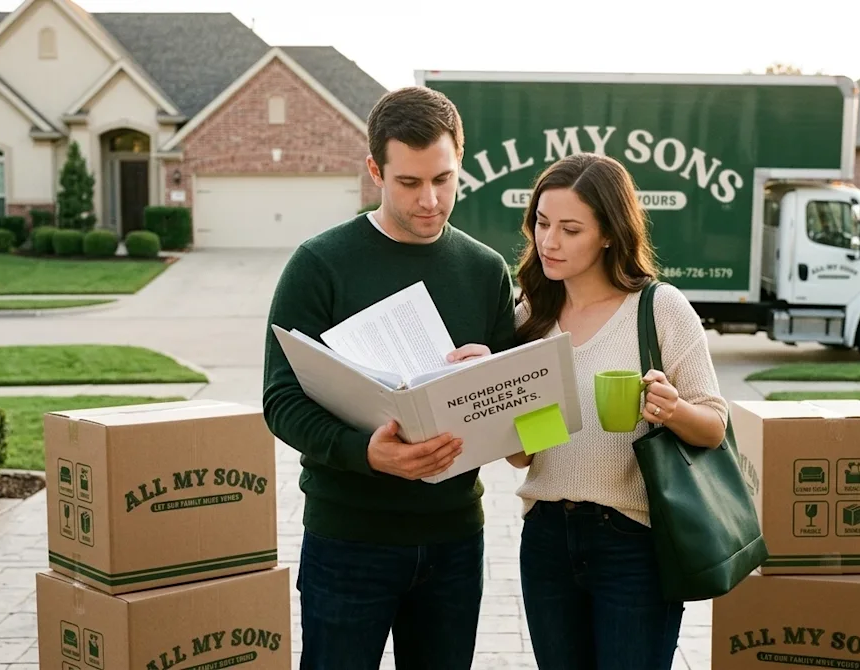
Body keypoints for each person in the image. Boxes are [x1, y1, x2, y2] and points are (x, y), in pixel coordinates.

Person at [261, 86, 517, 669]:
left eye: (444, 179)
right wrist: (365, 454)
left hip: (455, 538)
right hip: (349, 539)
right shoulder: (319, 264)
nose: (430, 200)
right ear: (375, 170)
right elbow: (281, 401)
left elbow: (526, 416)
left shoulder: (484, 271)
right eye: (409, 183)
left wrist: (492, 382)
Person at [505, 153, 728, 669]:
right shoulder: (529, 317)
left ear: (608, 233)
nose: (548, 241)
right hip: (545, 538)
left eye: (570, 228)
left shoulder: (659, 307)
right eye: (541, 222)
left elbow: (714, 426)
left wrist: (671, 409)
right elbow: (521, 456)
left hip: (633, 543)